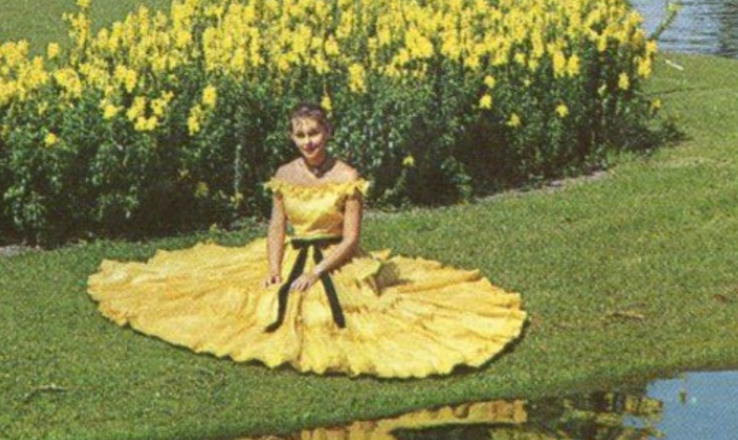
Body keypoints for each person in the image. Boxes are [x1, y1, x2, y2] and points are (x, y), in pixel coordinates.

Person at [88, 104, 526, 377]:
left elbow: (352, 239)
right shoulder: (283, 174)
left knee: (326, 309)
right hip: (293, 251)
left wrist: (316, 272)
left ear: (328, 133)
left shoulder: (347, 177)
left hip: (335, 257)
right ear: (292, 137)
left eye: (314, 134)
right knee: (254, 298)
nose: (308, 142)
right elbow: (277, 225)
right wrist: (274, 267)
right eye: (300, 135)